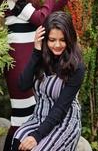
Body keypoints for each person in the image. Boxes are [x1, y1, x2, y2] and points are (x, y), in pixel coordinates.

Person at [0, 0, 71, 150]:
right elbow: (40, 19)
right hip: (19, 62)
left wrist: (61, 1)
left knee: (32, 117)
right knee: (22, 119)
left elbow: (40, 17)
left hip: (31, 59)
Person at [11, 11, 85, 151]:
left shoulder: (77, 67)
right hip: (38, 117)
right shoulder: (41, 57)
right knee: (17, 142)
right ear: (45, 39)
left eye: (62, 40)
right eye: (52, 40)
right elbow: (22, 85)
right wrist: (36, 52)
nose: (57, 45)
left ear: (70, 39)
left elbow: (60, 108)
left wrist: (36, 136)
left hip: (64, 121)